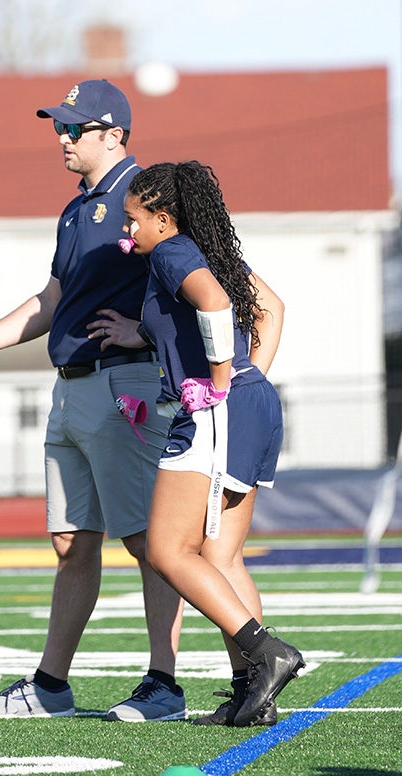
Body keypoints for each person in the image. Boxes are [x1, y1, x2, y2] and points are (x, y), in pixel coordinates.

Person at [0, 79, 185, 722]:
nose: (62, 138)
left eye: (74, 128)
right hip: (72, 387)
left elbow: (202, 279)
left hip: (123, 385)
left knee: (150, 542)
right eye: (60, 126)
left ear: (113, 134)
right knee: (72, 541)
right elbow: (52, 300)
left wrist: (148, 332)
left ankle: (164, 684)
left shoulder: (150, 197)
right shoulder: (78, 209)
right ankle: (51, 685)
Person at [89, 160, 305, 727]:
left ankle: (266, 653)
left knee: (165, 550)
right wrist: (144, 334)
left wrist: (219, 378)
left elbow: (212, 305)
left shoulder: (171, 250)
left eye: (134, 218)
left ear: (164, 217)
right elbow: (270, 309)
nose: (127, 229)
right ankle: (251, 696)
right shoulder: (207, 249)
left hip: (218, 409)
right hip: (251, 406)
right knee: (220, 556)